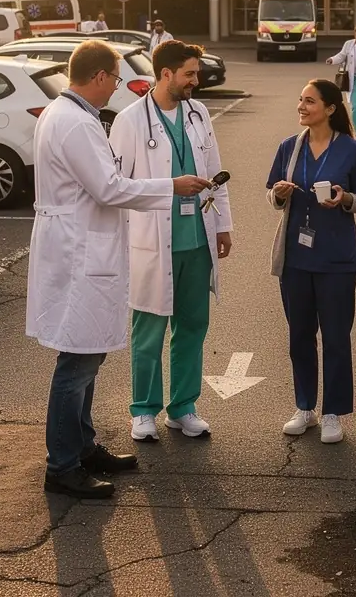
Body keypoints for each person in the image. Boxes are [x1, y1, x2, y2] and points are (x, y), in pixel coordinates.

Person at [25, 39, 211, 499]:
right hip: (78, 253)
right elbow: (108, 188)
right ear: (101, 76)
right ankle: (62, 465)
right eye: (114, 79)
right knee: (76, 363)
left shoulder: (67, 116)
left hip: (80, 248)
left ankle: (84, 447)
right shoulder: (76, 123)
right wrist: (171, 186)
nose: (117, 90)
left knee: (86, 358)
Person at [109, 40, 233, 443]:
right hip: (151, 241)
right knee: (148, 329)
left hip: (197, 238)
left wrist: (224, 226)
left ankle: (183, 408)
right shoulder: (130, 121)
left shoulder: (198, 113)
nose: (196, 81)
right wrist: (168, 187)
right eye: (190, 74)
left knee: (193, 326)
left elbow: (215, 171)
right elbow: (118, 186)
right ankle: (143, 410)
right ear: (165, 75)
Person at [266, 79, 356, 444]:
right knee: (299, 336)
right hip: (296, 258)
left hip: (337, 258)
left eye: (309, 101)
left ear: (330, 108)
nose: (301, 106)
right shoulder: (288, 147)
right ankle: (305, 407)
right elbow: (273, 196)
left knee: (335, 337)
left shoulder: (352, 150)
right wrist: (279, 194)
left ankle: (333, 412)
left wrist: (345, 199)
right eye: (300, 100)